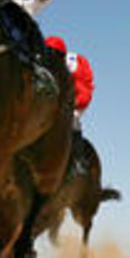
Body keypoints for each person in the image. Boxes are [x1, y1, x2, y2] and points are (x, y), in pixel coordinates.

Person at [45, 36, 95, 172]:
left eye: (55, 55)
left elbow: (84, 88)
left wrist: (75, 103)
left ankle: (77, 160)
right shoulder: (40, 61)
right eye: (48, 54)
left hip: (76, 99)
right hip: (54, 98)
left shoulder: (75, 64)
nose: (51, 59)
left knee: (72, 119)